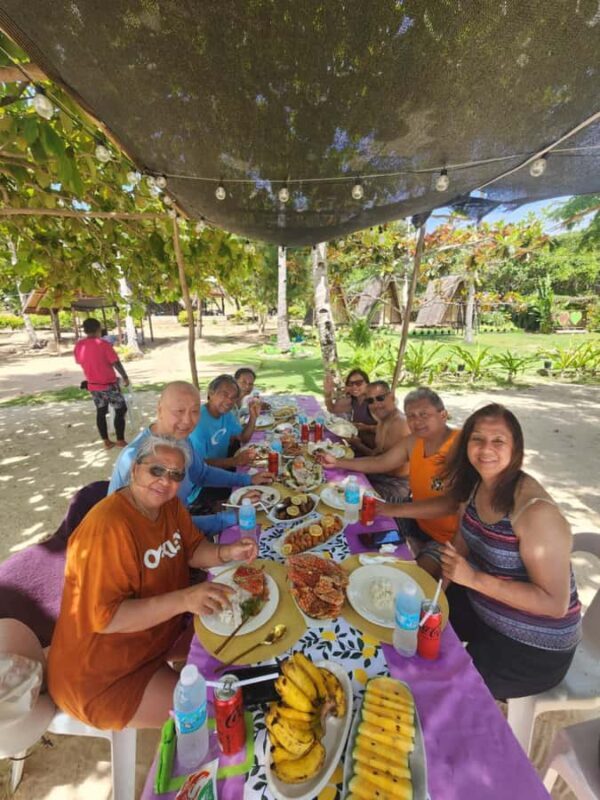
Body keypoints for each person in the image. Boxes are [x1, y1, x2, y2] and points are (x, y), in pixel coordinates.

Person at [48, 435, 258, 729]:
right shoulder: (107, 528)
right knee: (218, 715)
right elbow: (106, 619)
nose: (165, 481)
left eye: (176, 475)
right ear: (134, 469)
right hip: (101, 672)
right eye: (156, 470)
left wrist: (227, 551)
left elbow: (193, 549)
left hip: (156, 637)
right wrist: (185, 599)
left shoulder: (169, 506)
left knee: (245, 648)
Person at [426, 404, 581, 699]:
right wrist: (439, 596)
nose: (486, 449)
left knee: (446, 690)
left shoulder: (535, 513)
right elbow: (462, 540)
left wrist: (472, 579)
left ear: (516, 448)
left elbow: (554, 604)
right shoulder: (476, 484)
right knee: (416, 626)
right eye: (477, 438)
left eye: (498, 441)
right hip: (483, 606)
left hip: (534, 646)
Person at [109, 381, 271, 537]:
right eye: (179, 411)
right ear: (159, 409)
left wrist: (247, 479)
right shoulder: (132, 458)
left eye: (194, 411)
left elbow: (202, 474)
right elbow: (163, 527)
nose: (187, 421)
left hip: (183, 521)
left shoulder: (181, 439)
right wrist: (230, 517)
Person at [362, 387, 460, 577]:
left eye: (424, 414)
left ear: (443, 415)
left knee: (411, 582)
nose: (417, 421)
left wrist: (392, 509)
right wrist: (337, 462)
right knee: (360, 522)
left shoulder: (459, 447)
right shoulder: (414, 441)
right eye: (411, 416)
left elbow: (451, 504)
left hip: (446, 539)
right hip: (418, 521)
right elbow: (381, 462)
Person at [319, 380, 410, 503]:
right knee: (332, 478)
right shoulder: (384, 419)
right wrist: (366, 428)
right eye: (370, 401)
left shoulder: (400, 424)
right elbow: (379, 447)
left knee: (344, 497)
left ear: (392, 397)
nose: (376, 404)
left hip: (395, 485)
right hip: (380, 472)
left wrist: (357, 446)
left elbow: (382, 463)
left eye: (380, 398)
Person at [74, 317, 130, 449]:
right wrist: (125, 376)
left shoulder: (79, 346)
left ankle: (106, 441)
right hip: (109, 385)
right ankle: (120, 439)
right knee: (121, 409)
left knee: (101, 411)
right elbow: (115, 362)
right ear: (98, 329)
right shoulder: (103, 345)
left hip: (93, 385)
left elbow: (80, 361)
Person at [189, 374, 259, 468]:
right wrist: (234, 461)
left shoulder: (227, 415)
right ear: (211, 393)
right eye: (225, 394)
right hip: (204, 478)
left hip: (221, 469)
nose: (229, 401)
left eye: (233, 397)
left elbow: (243, 438)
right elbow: (199, 464)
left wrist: (253, 417)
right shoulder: (197, 422)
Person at [323, 369, 377, 453]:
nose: (354, 387)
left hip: (372, 449)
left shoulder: (373, 402)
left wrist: (367, 427)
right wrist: (327, 393)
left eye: (358, 383)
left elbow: (388, 429)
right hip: (357, 443)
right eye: (350, 384)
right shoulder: (353, 400)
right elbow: (332, 409)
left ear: (367, 384)